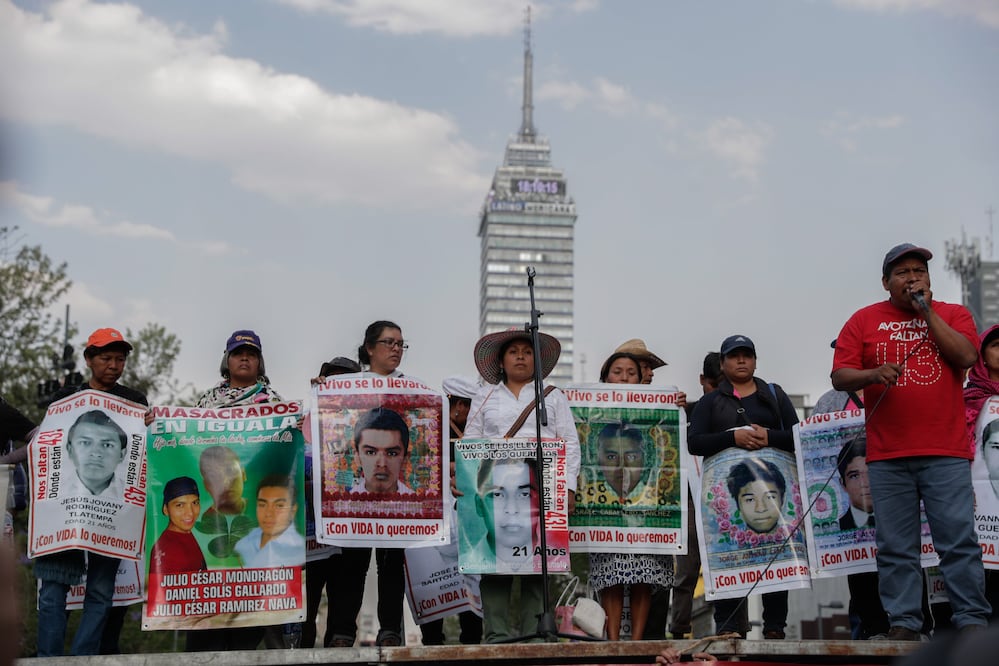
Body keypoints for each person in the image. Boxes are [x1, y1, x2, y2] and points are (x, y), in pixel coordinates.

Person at [832, 243, 991, 640]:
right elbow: (840, 375)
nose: (913, 277)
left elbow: (966, 356)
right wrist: (872, 374)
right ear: (885, 282)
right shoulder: (863, 320)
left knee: (958, 542)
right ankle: (904, 622)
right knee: (896, 547)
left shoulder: (953, 314)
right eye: (902, 272)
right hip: (887, 456)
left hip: (946, 452)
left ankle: (971, 621)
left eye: (919, 271)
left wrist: (927, 312)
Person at [34, 328, 149, 657]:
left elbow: (141, 447)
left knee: (100, 591)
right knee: (53, 589)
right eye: (106, 358)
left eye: (120, 359)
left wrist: (152, 424)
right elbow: (48, 445)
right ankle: (48, 661)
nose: (113, 365)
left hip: (113, 511)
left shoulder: (135, 401)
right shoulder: (65, 399)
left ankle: (83, 659)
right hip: (65, 509)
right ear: (88, 359)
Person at [464, 327, 580, 643]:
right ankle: (497, 636)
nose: (520, 357)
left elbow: (570, 442)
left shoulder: (553, 396)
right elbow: (471, 443)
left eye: (527, 352)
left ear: (536, 361)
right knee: (493, 564)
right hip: (494, 491)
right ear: (501, 361)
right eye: (513, 352)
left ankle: (535, 635)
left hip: (540, 487)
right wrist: (466, 484)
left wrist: (568, 487)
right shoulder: (485, 396)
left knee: (538, 563)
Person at [688, 334, 799, 639]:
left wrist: (770, 437)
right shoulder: (711, 402)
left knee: (776, 555)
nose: (741, 361)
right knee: (728, 556)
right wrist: (732, 438)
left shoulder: (774, 395)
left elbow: (797, 436)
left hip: (773, 495)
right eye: (734, 356)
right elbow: (694, 443)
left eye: (746, 355)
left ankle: (775, 627)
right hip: (729, 500)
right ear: (723, 364)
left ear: (755, 361)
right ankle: (726, 626)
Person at [188, 329, 290, 652]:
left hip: (258, 524)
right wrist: (157, 424)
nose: (244, 358)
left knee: (248, 629)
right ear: (227, 360)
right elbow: (185, 441)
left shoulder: (276, 404)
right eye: (238, 353)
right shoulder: (206, 402)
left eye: (251, 354)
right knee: (206, 629)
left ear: (260, 362)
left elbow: (285, 450)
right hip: (212, 524)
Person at [330, 320, 412, 648]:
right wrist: (323, 390)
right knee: (352, 563)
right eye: (389, 342)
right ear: (369, 348)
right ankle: (342, 632)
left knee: (391, 563)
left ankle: (390, 630)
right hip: (358, 500)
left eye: (400, 344)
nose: (396, 349)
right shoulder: (349, 386)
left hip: (395, 501)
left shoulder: (411, 388)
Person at [586, 352, 672, 641]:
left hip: (646, 515)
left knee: (643, 575)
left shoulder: (658, 407)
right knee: (609, 573)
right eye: (617, 371)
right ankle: (612, 642)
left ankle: (635, 643)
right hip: (604, 517)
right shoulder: (591, 407)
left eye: (631, 372)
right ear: (605, 377)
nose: (624, 378)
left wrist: (678, 406)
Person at [418, 375, 482, 646]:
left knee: (472, 578)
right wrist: (451, 469)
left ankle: (472, 641)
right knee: (431, 576)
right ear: (459, 405)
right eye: (471, 407)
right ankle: (432, 640)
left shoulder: (478, 431)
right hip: (435, 517)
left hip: (468, 517)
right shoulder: (430, 430)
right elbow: (418, 466)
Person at [303, 355, 359, 648]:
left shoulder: (366, 423)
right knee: (307, 601)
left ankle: (340, 645)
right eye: (332, 379)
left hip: (348, 532)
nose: (337, 386)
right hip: (310, 533)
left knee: (343, 599)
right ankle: (301, 648)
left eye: (345, 381)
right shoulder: (305, 419)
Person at [670, 352, 722, 640]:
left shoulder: (736, 409)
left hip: (724, 498)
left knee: (728, 563)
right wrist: (671, 405)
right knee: (687, 568)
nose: (715, 394)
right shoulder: (687, 411)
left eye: (722, 386)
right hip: (690, 496)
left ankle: (731, 627)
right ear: (703, 381)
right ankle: (679, 628)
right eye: (712, 386)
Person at [235, 475, 305, 568]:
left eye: (279, 506)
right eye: (262, 505)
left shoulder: (298, 550)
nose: (268, 514)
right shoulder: (246, 541)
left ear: (293, 510)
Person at [61, 410, 128, 497]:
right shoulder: (52, 492)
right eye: (85, 443)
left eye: (107, 445)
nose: (95, 453)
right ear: (69, 450)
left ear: (122, 454)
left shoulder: (137, 496)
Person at [149, 477, 207, 575]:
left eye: (195, 503)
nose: (190, 513)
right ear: (166, 509)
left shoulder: (186, 534)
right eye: (180, 505)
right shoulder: (167, 549)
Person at [350, 407, 413, 495]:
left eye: (392, 453)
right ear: (357, 457)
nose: (382, 464)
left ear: (405, 460)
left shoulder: (420, 503)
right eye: (370, 452)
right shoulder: (343, 502)